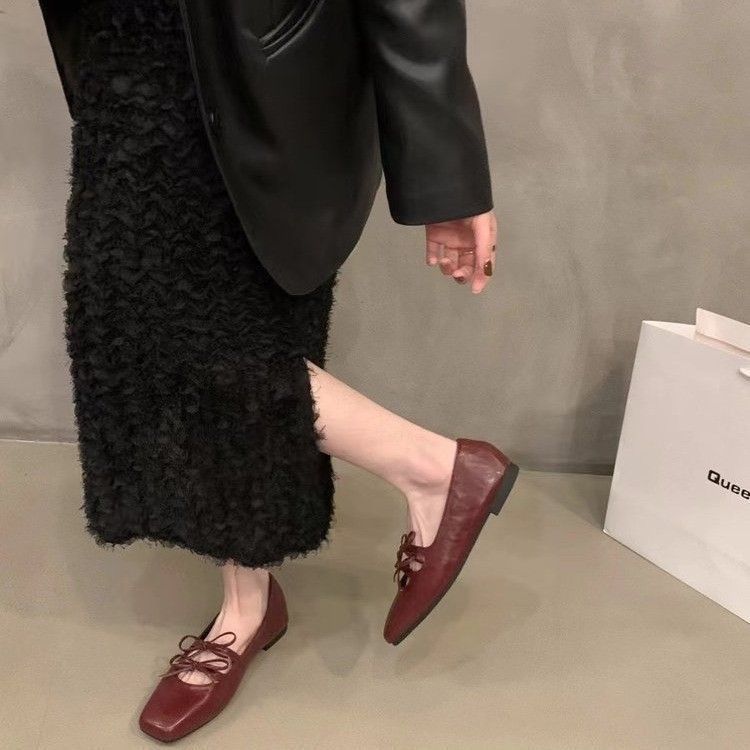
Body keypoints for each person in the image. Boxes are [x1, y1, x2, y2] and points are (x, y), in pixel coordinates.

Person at [38, 0, 518, 741]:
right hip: (120, 63)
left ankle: (431, 472)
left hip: (256, 75)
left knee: (225, 346)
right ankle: (255, 597)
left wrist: (448, 180)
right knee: (122, 333)